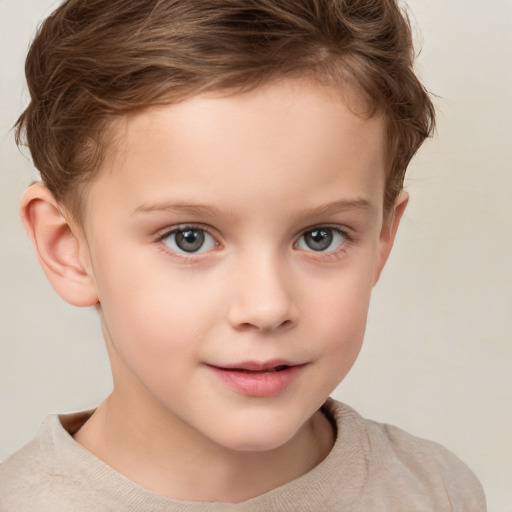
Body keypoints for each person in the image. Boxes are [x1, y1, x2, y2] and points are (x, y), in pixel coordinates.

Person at [0, 0, 486, 510]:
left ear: (382, 238)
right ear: (69, 249)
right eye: (189, 238)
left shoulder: (438, 491)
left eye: (320, 236)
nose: (266, 307)